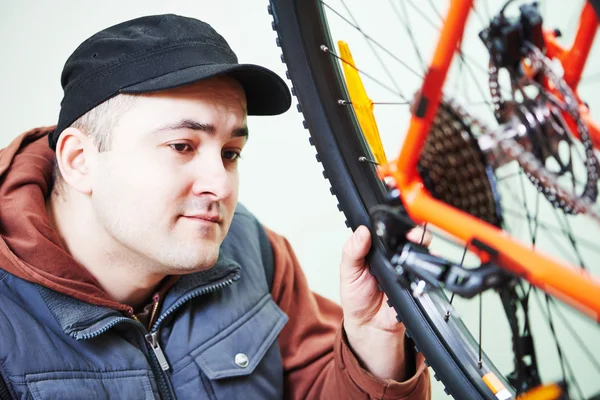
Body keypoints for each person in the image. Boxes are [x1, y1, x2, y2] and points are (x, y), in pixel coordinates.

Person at [0, 13, 430, 399]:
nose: (221, 185)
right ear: (80, 161)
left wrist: (374, 342)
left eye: (230, 152)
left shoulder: (250, 247)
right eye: (182, 146)